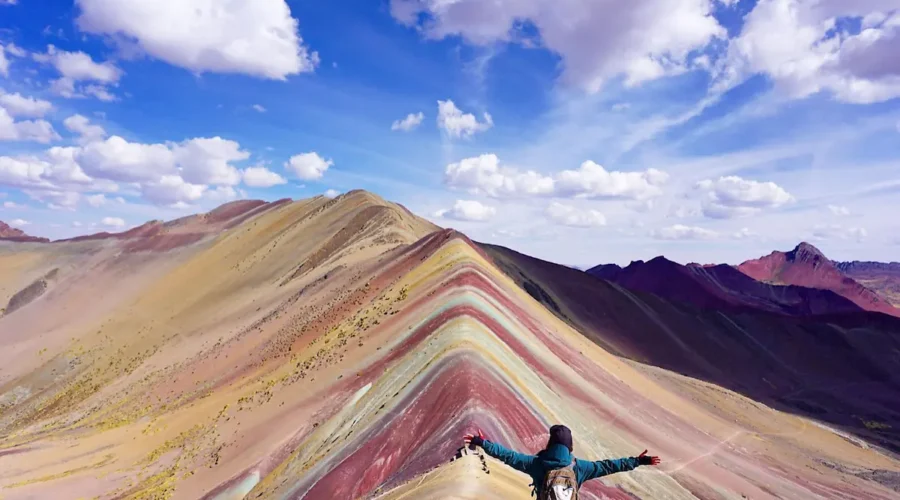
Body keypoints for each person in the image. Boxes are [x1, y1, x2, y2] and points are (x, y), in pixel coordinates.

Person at [464, 425, 660, 499]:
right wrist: (638, 461)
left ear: (550, 443)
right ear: (569, 446)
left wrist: (483, 443)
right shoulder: (580, 467)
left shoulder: (537, 464)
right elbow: (610, 466)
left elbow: (509, 456)